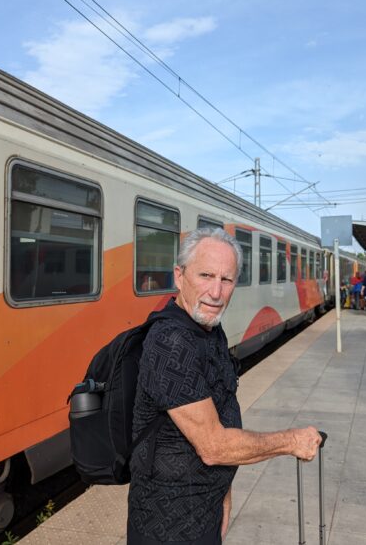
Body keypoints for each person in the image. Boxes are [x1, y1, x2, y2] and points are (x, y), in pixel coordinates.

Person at [128, 228, 322, 544]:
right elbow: (214, 446)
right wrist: (290, 441)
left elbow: (220, 414)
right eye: (205, 276)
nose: (216, 292)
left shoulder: (208, 329)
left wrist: (223, 493)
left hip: (203, 511)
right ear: (179, 276)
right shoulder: (171, 342)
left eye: (226, 279)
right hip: (168, 525)